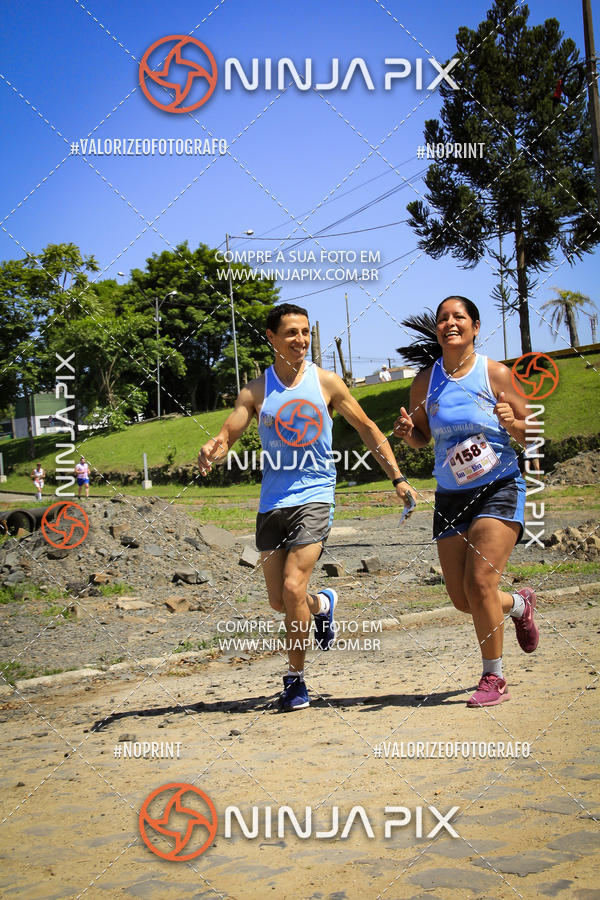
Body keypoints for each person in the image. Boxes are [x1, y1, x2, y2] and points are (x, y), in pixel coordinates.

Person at [199, 303, 417, 712]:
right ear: (271, 337)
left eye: (305, 332)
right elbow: (229, 432)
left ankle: (295, 681)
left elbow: (368, 429)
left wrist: (398, 478)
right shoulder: (256, 390)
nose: (301, 340)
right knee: (281, 602)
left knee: (293, 588)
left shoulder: (326, 383)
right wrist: (214, 448)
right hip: (272, 504)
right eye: (291, 333)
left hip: (315, 497)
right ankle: (324, 605)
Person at [394, 295, 539, 708]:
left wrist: (514, 424)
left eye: (459, 317)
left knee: (480, 584)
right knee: (462, 599)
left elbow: (535, 436)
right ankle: (518, 604)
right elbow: (422, 436)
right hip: (451, 495)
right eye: (443, 318)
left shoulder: (495, 373)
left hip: (498, 487)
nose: (449, 323)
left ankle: (494, 677)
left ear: (475, 327)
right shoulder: (425, 381)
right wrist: (410, 434)